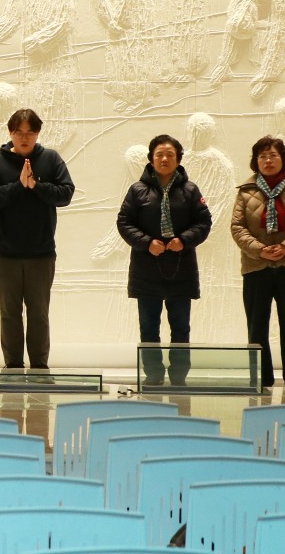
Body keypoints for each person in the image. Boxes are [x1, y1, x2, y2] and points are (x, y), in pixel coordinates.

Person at [0, 109, 74, 370]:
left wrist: (36, 186)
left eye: (30, 132)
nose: (24, 137)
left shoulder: (51, 159)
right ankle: (13, 367)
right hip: (5, 254)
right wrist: (18, 186)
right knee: (9, 314)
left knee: (39, 314)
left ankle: (40, 367)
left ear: (37, 133)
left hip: (41, 253)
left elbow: (66, 193)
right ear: (10, 133)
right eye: (19, 132)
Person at [116, 135, 213, 386]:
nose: (164, 159)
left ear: (178, 159)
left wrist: (184, 240)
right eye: (159, 154)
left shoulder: (190, 190)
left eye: (170, 154)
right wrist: (147, 243)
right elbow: (124, 223)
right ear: (151, 159)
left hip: (181, 268)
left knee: (180, 327)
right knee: (149, 327)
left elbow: (204, 222)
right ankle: (153, 374)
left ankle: (179, 376)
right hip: (146, 269)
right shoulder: (137, 190)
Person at [231, 136, 285, 388]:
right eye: (263, 156)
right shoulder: (246, 192)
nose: (268, 160)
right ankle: (261, 382)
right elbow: (237, 228)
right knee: (257, 329)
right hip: (256, 267)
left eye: (273, 155)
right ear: (256, 161)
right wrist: (260, 250)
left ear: (283, 159)